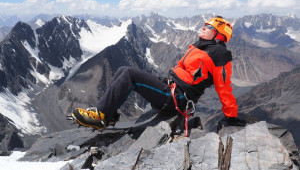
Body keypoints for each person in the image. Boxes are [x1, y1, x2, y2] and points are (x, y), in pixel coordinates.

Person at [72, 16, 246, 130]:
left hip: (179, 99)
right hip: (172, 90)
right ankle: (108, 115)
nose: (203, 27)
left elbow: (224, 87)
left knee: (130, 75)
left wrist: (231, 117)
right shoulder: (200, 47)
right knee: (122, 70)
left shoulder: (219, 54)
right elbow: (182, 68)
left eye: (209, 26)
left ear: (219, 36)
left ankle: (100, 117)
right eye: (205, 24)